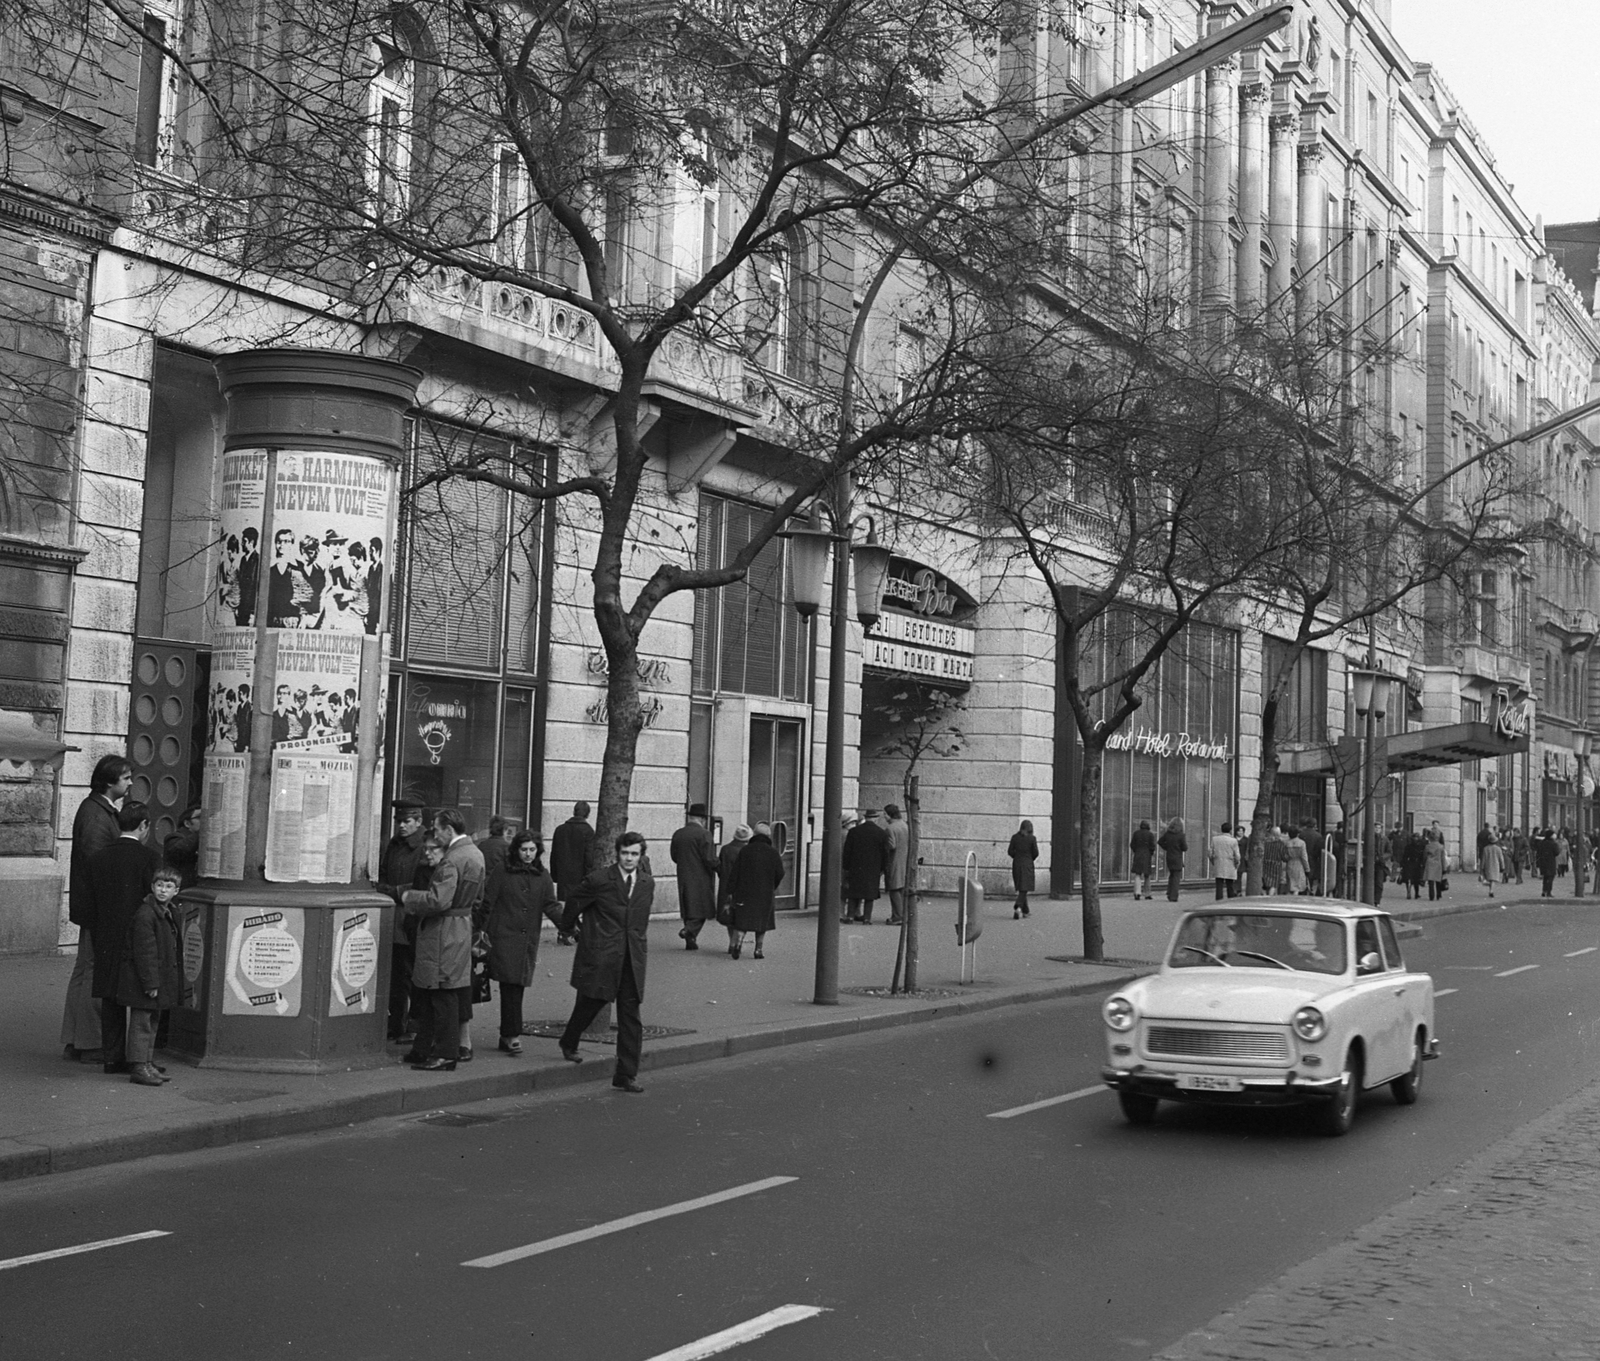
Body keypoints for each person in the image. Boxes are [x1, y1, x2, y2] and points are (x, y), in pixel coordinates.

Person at [558, 831, 653, 1092]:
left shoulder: (647, 882)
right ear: (617, 853)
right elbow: (573, 904)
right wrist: (570, 930)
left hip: (632, 958)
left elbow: (640, 921)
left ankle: (626, 1074)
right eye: (625, 853)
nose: (629, 858)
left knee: (630, 1016)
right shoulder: (600, 880)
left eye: (634, 854)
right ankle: (569, 1039)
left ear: (641, 855)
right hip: (604, 954)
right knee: (593, 1000)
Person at [400, 809, 485, 1072]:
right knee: (437, 991)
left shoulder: (451, 860)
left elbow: (438, 900)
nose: (435, 835)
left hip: (442, 931)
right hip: (460, 927)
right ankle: (424, 1048)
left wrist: (409, 898)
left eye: (437, 830)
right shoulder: (475, 854)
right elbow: (478, 898)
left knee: (440, 992)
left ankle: (445, 1053)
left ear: (449, 829)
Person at [61, 754, 130, 1062]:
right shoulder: (96, 814)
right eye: (125, 777)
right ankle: (89, 1043)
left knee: (84, 970)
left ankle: (76, 1040)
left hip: (90, 904)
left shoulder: (97, 809)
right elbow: (97, 862)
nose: (129, 782)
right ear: (109, 782)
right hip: (98, 906)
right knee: (92, 972)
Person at [84, 801, 160, 1075]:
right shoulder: (150, 857)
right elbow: (153, 900)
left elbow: (88, 900)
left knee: (110, 996)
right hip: (137, 936)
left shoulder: (99, 857)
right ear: (143, 826)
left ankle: (112, 1058)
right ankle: (140, 1059)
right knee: (142, 998)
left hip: (105, 934)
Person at [477, 830, 559, 1055]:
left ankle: (508, 1034)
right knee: (511, 986)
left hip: (526, 940)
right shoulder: (502, 871)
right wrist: (478, 931)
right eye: (524, 850)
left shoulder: (542, 875)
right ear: (516, 850)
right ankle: (511, 1035)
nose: (528, 854)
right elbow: (488, 902)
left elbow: (550, 905)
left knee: (515, 986)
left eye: (532, 850)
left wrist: (569, 925)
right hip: (503, 937)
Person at [115, 864, 183, 1087]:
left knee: (152, 1021)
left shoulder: (167, 911)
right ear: (152, 887)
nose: (163, 890)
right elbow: (145, 953)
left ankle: (147, 1061)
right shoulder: (147, 914)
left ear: (176, 891)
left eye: (168, 886)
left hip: (157, 978)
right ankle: (138, 1065)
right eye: (159, 885)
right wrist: (151, 983)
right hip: (145, 980)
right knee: (142, 1022)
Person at [377, 801, 428, 1043]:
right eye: (399, 821)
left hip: (412, 918)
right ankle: (396, 1023)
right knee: (397, 976)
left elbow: (423, 883)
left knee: (412, 974)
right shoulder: (394, 845)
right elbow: (384, 872)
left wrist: (394, 891)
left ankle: (414, 1025)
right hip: (394, 918)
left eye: (407, 821)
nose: (402, 826)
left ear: (418, 822)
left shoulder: (425, 846)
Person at [726, 822, 784, 960]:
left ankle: (738, 943)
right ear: (768, 836)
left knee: (742, 921)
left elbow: (735, 872)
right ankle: (758, 950)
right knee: (761, 922)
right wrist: (772, 885)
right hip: (764, 893)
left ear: (755, 834)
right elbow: (780, 873)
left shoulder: (745, 850)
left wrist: (731, 890)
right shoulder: (773, 852)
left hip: (744, 892)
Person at [670, 802, 719, 949]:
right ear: (703, 820)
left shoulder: (678, 833)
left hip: (683, 875)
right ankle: (688, 930)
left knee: (688, 907)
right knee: (702, 908)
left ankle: (690, 940)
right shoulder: (704, 834)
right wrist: (720, 868)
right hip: (701, 876)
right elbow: (709, 858)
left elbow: (674, 856)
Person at [550, 801, 596, 944]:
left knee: (569, 904)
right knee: (576, 905)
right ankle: (569, 931)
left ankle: (571, 931)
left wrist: (555, 874)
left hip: (563, 873)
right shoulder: (588, 831)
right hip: (580, 875)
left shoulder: (560, 829)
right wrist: (589, 876)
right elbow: (589, 857)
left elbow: (554, 854)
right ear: (587, 813)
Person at [841, 808, 891, 923]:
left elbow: (847, 852)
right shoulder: (881, 833)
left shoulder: (854, 832)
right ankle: (867, 918)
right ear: (876, 819)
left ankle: (850, 916)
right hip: (873, 869)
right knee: (870, 894)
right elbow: (885, 854)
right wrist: (883, 869)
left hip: (855, 867)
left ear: (865, 818)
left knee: (853, 893)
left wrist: (846, 867)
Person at [163, 805, 203, 889]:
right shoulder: (174, 837)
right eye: (200, 817)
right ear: (187, 823)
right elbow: (179, 850)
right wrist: (202, 831)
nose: (204, 820)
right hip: (181, 890)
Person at [884, 805, 910, 925]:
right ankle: (901, 915)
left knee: (894, 889)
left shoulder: (890, 828)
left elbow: (891, 845)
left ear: (890, 814)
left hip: (894, 861)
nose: (883, 816)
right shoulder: (905, 825)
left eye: (885, 814)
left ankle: (898, 916)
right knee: (901, 889)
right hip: (905, 860)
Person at [1008, 819, 1039, 918]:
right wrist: (1030, 858)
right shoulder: (1032, 839)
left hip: (1016, 864)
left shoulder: (1014, 838)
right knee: (1024, 888)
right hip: (1027, 864)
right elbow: (1036, 853)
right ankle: (1018, 906)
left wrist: (1016, 857)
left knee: (1022, 887)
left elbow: (1010, 851)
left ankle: (1025, 910)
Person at [1156, 817, 1187, 902]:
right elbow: (1185, 848)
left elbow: (1160, 842)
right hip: (1177, 858)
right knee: (1176, 877)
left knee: (1172, 875)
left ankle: (1169, 893)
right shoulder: (1181, 835)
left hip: (1169, 857)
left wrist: (1167, 848)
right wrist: (1178, 847)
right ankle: (1173, 896)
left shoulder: (1168, 834)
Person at [1210, 822, 1240, 900]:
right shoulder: (1233, 841)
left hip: (1219, 863)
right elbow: (1237, 855)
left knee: (1219, 885)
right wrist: (1237, 863)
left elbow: (1210, 853)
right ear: (1230, 830)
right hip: (1230, 864)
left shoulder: (1215, 839)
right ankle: (1230, 899)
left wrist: (1213, 861)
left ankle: (1219, 900)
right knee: (1230, 885)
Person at [1129, 820, 1157, 900]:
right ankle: (1147, 893)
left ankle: (1137, 893)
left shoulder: (1136, 833)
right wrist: (1150, 853)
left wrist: (1136, 851)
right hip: (1147, 855)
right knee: (1147, 875)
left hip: (1138, 854)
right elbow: (1152, 846)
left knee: (1138, 874)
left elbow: (1132, 844)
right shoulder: (1150, 834)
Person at [1261, 826, 1289, 895]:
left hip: (1266, 864)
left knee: (1267, 882)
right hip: (1276, 866)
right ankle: (1270, 897)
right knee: (1274, 884)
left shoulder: (1265, 842)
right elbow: (1284, 856)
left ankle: (1266, 895)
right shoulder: (1280, 844)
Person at [1401, 828, 1426, 900]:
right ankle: (1416, 893)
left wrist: (1403, 864)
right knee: (1416, 880)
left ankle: (1409, 891)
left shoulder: (1409, 846)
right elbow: (1422, 856)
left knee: (1409, 879)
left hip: (1410, 863)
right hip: (1416, 864)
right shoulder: (1420, 846)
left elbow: (1405, 856)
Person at [1424, 828, 1448, 901]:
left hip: (1430, 864)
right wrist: (1444, 868)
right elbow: (1443, 858)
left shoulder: (1428, 846)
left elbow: (1424, 856)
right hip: (1438, 864)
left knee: (1430, 881)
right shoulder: (1441, 847)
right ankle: (1438, 894)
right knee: (1438, 880)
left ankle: (1431, 896)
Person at [1535, 827, 1560, 898]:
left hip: (1543, 862)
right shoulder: (1553, 843)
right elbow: (1557, 852)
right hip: (1551, 862)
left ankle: (1544, 890)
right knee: (1551, 877)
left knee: (1545, 877)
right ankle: (1548, 892)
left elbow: (1538, 852)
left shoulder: (1542, 843)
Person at [1286, 826, 1310, 894]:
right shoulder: (1302, 843)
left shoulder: (1286, 843)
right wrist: (1307, 868)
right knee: (1298, 886)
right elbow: (1304, 857)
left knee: (1291, 884)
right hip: (1299, 865)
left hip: (1290, 863)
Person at [1481, 828, 1502, 898]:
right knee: (1493, 879)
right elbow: (1501, 858)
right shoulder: (1498, 849)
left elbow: (1483, 859)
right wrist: (1503, 866)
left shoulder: (1485, 848)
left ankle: (1491, 890)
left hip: (1488, 865)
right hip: (1496, 865)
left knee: (1490, 879)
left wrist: (1482, 867)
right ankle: (1491, 891)